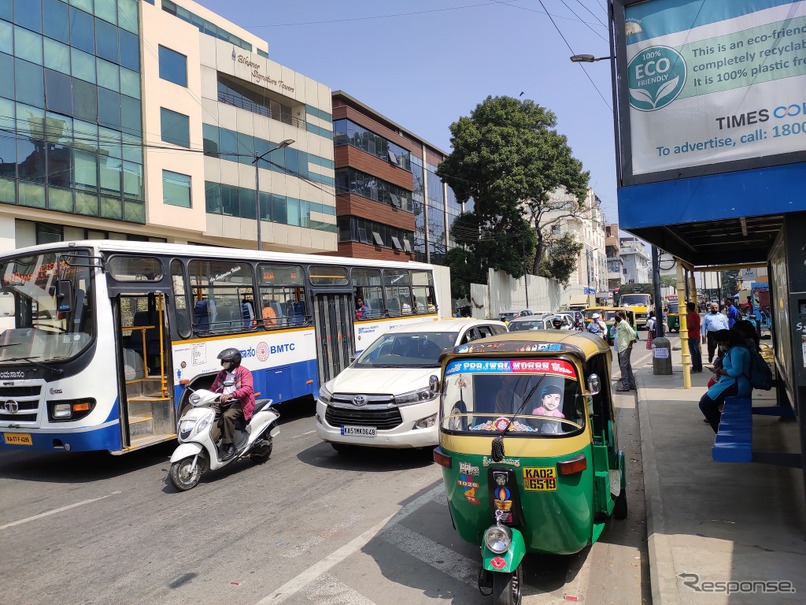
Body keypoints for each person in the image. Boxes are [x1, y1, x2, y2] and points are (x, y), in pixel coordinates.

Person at [699, 329, 751, 432]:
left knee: (705, 404)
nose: (720, 346)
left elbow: (737, 371)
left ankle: (722, 431)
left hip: (736, 385)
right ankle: (722, 428)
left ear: (727, 341)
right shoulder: (734, 349)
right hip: (731, 383)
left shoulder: (737, 351)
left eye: (720, 343)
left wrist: (719, 371)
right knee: (706, 401)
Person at [210, 347, 256, 461]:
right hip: (222, 402)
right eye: (222, 361)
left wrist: (231, 395)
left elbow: (247, 389)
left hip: (240, 402)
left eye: (225, 361)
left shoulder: (244, 372)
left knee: (227, 416)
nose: (222, 363)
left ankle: (230, 446)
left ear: (234, 361)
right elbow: (213, 388)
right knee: (208, 415)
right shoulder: (222, 374)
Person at [614, 310, 637, 391]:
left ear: (621, 316)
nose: (615, 317)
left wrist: (630, 344)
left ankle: (625, 386)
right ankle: (632, 384)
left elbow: (633, 333)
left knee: (623, 367)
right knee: (627, 366)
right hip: (621, 347)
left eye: (617, 315)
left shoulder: (624, 323)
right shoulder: (619, 324)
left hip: (625, 347)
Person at [686, 302, 703, 372]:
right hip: (696, 335)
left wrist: (685, 328)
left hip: (692, 335)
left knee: (694, 352)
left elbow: (692, 325)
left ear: (688, 308)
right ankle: (699, 367)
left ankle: (695, 368)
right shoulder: (696, 315)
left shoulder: (692, 315)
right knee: (697, 352)